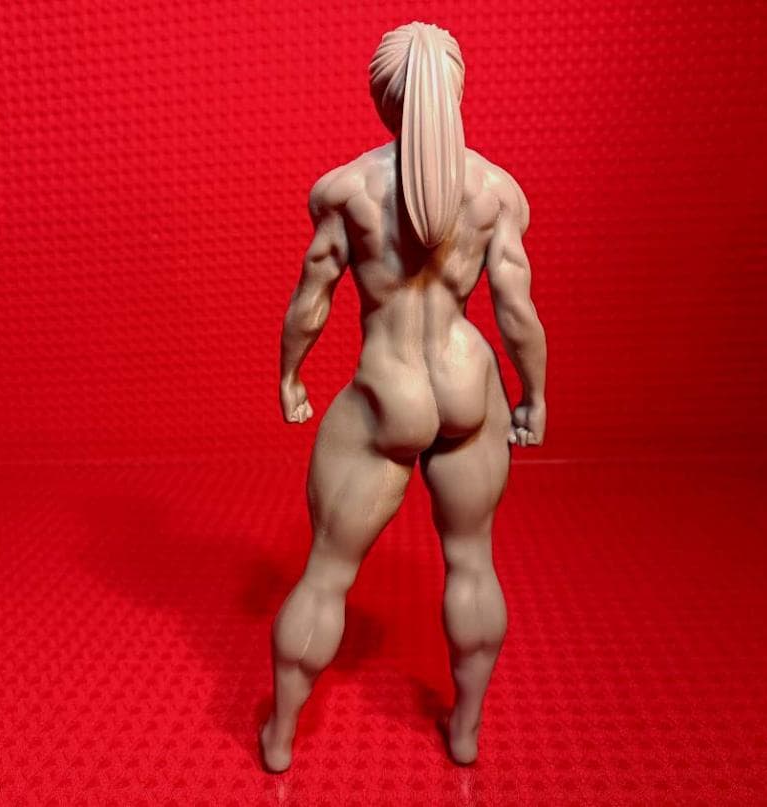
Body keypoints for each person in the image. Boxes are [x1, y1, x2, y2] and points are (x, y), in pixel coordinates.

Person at [260, 21, 547, 772]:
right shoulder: (495, 192)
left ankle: (281, 737)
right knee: (473, 563)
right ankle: (465, 729)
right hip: (467, 383)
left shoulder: (347, 191)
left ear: (382, 100)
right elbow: (516, 313)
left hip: (389, 392)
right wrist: (534, 395)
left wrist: (291, 375)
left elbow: (310, 303)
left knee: (327, 572)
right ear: (457, 90)